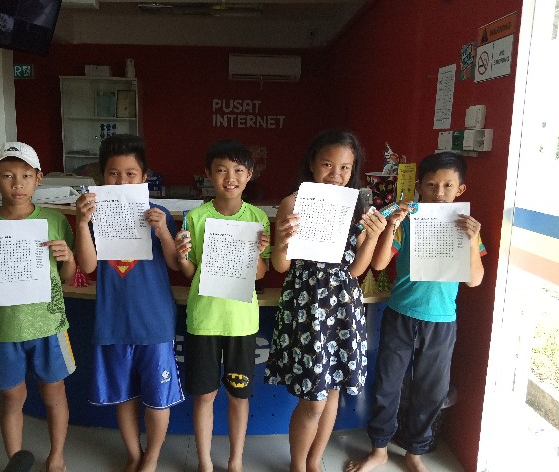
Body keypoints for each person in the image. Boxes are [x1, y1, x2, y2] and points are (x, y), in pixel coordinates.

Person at [346, 151, 486, 472]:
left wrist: (472, 240)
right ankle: (379, 450)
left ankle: (415, 453)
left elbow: (475, 280)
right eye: (431, 185)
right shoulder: (408, 218)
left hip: (441, 320)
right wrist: (392, 225)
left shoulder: (466, 227)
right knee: (388, 384)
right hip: (401, 314)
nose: (439, 193)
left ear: (460, 189)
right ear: (419, 186)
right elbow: (380, 263)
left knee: (431, 391)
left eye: (448, 186)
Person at [263, 130, 388, 472]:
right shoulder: (292, 202)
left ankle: (315, 461)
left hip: (344, 305)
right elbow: (281, 266)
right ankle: (297, 465)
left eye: (345, 167)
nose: (336, 174)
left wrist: (372, 237)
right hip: (306, 307)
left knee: (333, 393)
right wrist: (282, 240)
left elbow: (356, 270)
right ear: (312, 164)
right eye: (328, 165)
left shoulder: (358, 206)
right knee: (313, 400)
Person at [0, 142, 76, 472]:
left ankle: (57, 456)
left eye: (26, 175)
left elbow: (67, 276)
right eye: (7, 175)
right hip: (4, 328)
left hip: (50, 325)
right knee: (11, 396)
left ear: (39, 178)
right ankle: (16, 461)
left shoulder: (54, 220)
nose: (17, 184)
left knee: (54, 393)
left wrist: (67, 257)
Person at [74, 134, 184, 472]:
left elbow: (175, 264)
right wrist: (81, 223)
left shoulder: (158, 213)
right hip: (113, 321)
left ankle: (151, 456)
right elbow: (87, 266)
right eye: (113, 173)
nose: (121, 181)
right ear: (102, 177)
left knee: (158, 398)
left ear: (144, 177)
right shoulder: (94, 215)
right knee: (123, 396)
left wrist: (163, 232)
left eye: (130, 174)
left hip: (154, 322)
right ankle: (134, 454)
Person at [174, 139, 271, 472]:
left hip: (241, 321)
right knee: (204, 396)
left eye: (238, 170)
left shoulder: (258, 218)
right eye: (221, 170)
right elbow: (191, 272)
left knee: (239, 396)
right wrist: (182, 257)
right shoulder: (196, 217)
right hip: (204, 319)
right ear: (208, 174)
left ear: (250, 174)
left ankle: (235, 461)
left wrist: (257, 253)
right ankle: (204, 461)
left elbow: (261, 273)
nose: (230, 178)